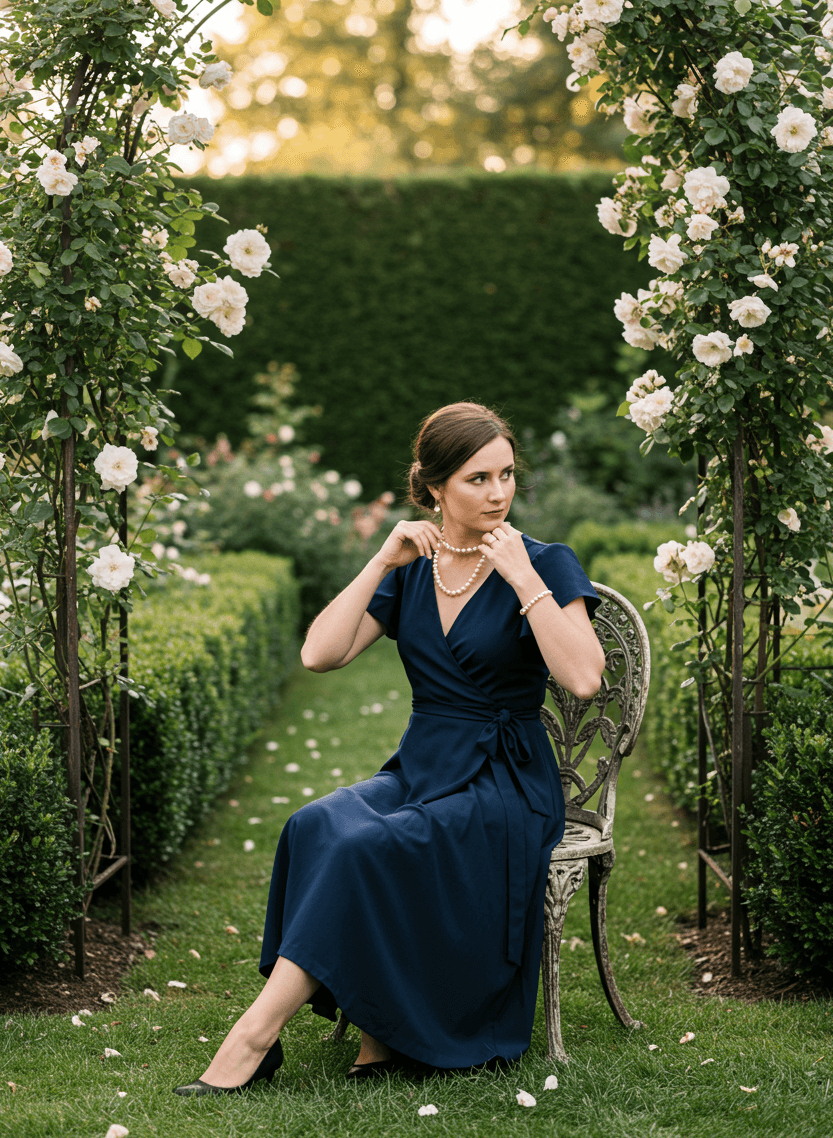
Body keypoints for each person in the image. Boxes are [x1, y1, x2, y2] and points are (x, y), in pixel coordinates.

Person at [174, 401, 605, 1096]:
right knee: (316, 824)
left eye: (506, 476)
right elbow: (320, 654)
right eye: (476, 479)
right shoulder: (412, 567)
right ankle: (382, 1027)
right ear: (434, 488)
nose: (497, 493)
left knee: (364, 847)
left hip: (505, 781)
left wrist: (524, 579)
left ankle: (253, 1038)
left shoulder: (546, 561)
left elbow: (584, 678)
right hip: (423, 766)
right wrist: (382, 556)